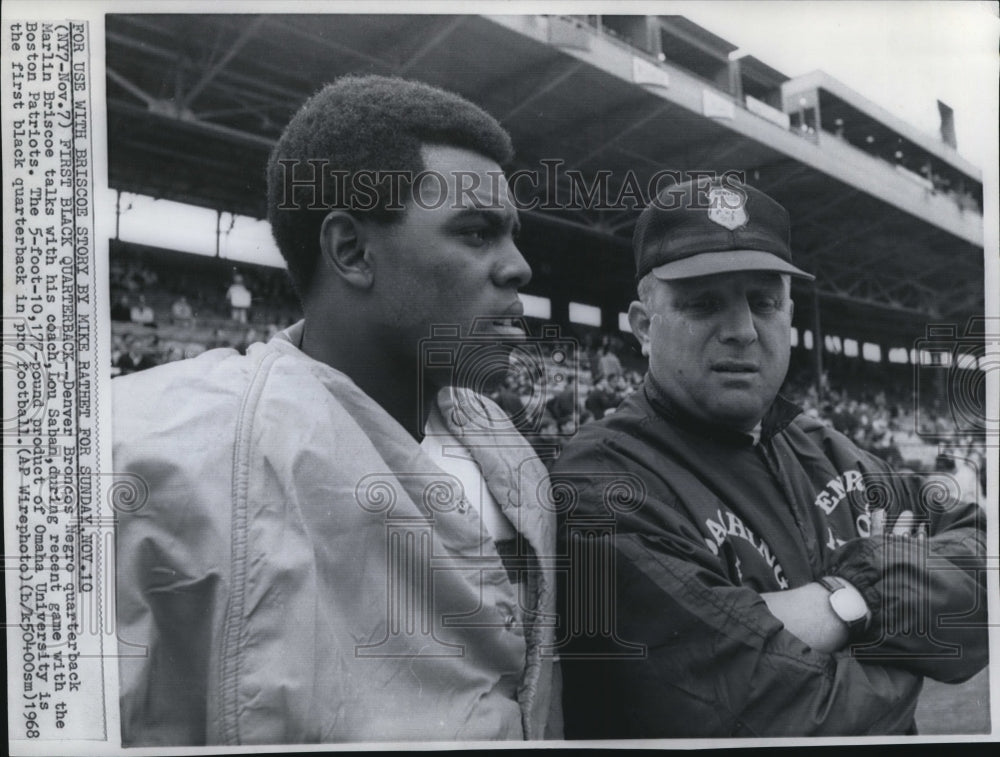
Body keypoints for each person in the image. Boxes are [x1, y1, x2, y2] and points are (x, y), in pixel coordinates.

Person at [113, 75, 559, 745]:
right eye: (476, 233)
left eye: (512, 235)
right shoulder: (154, 452)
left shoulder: (510, 453)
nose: (519, 267)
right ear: (352, 251)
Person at [553, 178, 987, 737]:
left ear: (788, 314)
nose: (740, 331)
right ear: (643, 326)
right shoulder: (603, 480)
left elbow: (985, 568)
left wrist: (845, 599)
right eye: (703, 303)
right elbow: (772, 714)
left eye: (763, 302)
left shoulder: (827, 449)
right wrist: (898, 632)